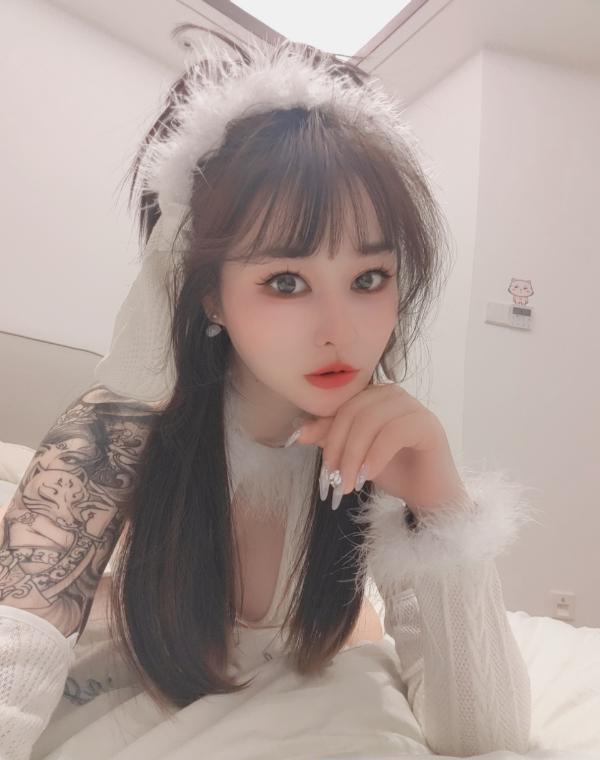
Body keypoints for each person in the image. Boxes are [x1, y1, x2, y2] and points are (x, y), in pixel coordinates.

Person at [0, 26, 537, 760]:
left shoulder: (381, 443)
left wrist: (440, 504)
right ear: (208, 294)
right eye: (286, 281)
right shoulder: (112, 433)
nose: (341, 332)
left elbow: (484, 737)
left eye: (369, 277)